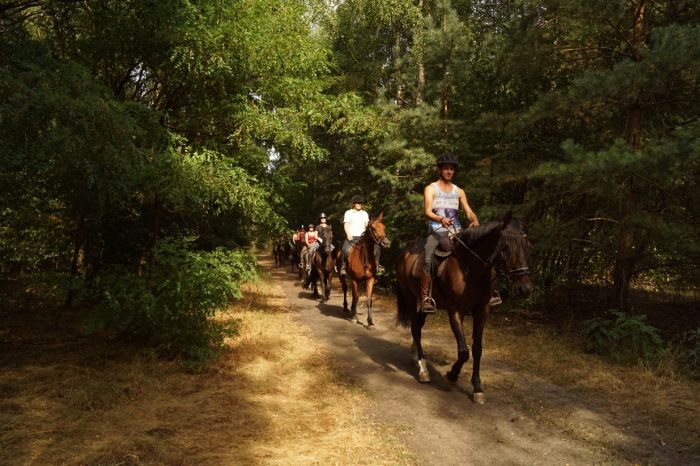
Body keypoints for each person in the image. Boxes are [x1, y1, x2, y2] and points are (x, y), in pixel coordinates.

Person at [420, 152, 479, 313]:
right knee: (428, 256)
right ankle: (425, 298)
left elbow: (468, 211)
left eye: (452, 169)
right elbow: (427, 212)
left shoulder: (459, 191)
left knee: (477, 252)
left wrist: (474, 219)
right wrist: (440, 219)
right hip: (437, 230)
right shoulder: (430, 189)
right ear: (440, 170)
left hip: (457, 231)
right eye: (446, 168)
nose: (449, 172)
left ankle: (483, 292)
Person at [339, 195, 369, 277]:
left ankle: (376, 266)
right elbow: (346, 225)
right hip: (352, 236)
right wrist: (348, 234)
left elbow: (367, 225)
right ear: (353, 204)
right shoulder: (348, 213)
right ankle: (343, 267)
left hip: (362, 238)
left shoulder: (365, 213)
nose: (359, 204)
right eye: (357, 203)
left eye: (360, 203)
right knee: (344, 249)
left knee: (374, 248)